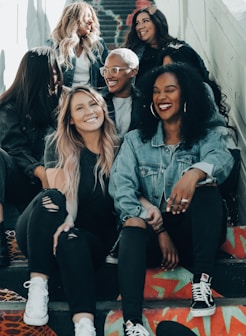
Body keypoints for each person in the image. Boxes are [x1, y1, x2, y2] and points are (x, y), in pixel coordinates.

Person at [109, 63, 234, 335]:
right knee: (131, 221)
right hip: (154, 238)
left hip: (195, 235)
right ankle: (133, 323)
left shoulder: (205, 136)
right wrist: (159, 228)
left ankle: (201, 285)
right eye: (156, 92)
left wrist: (194, 173)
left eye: (170, 90)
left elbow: (223, 160)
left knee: (207, 188)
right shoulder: (135, 141)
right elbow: (120, 188)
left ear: (186, 95)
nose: (162, 97)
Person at [15, 85, 119, 336]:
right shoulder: (57, 144)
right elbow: (63, 192)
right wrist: (68, 218)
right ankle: (38, 286)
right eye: (80, 108)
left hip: (87, 240)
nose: (89, 111)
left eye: (93, 104)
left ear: (103, 107)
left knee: (70, 240)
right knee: (50, 197)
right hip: (42, 231)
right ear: (70, 118)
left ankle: (84, 326)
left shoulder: (121, 147)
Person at [160, 44, 240, 225]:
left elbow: (194, 128)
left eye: (173, 68)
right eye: (164, 69)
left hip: (219, 153)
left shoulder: (200, 89)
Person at [0, 46, 63, 267]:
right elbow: (14, 149)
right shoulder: (9, 106)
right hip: (24, 180)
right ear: (36, 76)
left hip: (60, 178)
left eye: (57, 71)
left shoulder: (64, 101)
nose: (56, 78)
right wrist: (39, 170)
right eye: (51, 73)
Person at [122, 5, 208, 85]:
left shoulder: (179, 49)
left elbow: (197, 76)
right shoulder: (132, 53)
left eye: (145, 21)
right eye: (137, 23)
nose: (140, 26)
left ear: (157, 22)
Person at [49, 1, 108, 89]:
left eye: (92, 17)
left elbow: (105, 77)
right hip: (64, 98)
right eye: (87, 16)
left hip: (90, 97)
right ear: (74, 19)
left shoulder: (97, 44)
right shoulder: (55, 45)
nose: (91, 21)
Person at [99, 48, 145, 141]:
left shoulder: (144, 102)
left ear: (133, 72)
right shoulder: (97, 100)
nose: (108, 76)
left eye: (114, 70)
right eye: (105, 70)